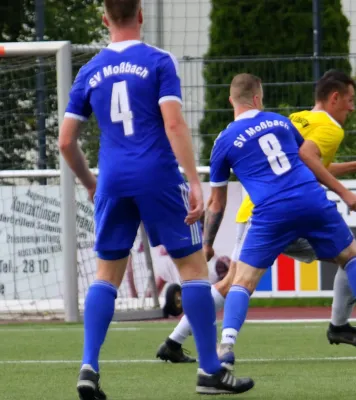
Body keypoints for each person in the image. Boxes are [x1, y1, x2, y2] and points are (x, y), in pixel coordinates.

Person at [57, 1, 254, 397]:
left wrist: (90, 181)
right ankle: (210, 372)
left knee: (105, 276)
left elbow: (65, 141)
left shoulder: (89, 70)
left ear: (104, 19)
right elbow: (173, 122)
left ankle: (89, 367)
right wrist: (195, 182)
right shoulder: (159, 61)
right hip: (158, 177)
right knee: (194, 271)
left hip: (112, 178)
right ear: (141, 15)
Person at [154, 70, 356, 361]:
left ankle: (224, 345)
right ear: (258, 98)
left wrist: (207, 243)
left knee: (239, 282)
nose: (352, 106)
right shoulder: (281, 121)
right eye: (350, 100)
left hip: (267, 213)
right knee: (353, 255)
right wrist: (348, 185)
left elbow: (217, 202)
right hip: (307, 202)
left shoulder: (224, 140)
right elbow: (306, 161)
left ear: (231, 100)